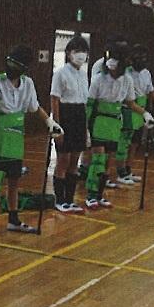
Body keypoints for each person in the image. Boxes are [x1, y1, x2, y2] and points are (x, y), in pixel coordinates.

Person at [0, 45, 62, 236]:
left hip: (16, 140)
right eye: (9, 62)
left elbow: (34, 106)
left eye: (15, 64)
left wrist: (49, 122)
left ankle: (13, 219)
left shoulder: (28, 84)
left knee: (14, 181)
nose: (11, 67)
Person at [85, 38, 153, 209]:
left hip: (115, 123)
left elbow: (130, 102)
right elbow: (89, 105)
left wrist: (145, 113)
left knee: (108, 162)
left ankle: (100, 195)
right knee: (98, 160)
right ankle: (91, 195)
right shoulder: (98, 79)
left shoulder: (127, 80)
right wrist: (85, 128)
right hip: (99, 121)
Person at [115, 44, 154, 185]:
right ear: (131, 59)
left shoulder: (146, 73)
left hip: (141, 111)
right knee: (124, 143)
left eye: (144, 58)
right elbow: (127, 99)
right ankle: (120, 171)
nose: (142, 61)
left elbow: (150, 91)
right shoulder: (125, 73)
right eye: (139, 58)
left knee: (135, 143)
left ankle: (128, 169)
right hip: (128, 110)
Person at [50, 35, 89, 213]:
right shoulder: (60, 73)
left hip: (79, 116)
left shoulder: (83, 74)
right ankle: (59, 200)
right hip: (66, 115)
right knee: (63, 160)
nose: (81, 55)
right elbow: (54, 99)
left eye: (83, 51)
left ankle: (70, 199)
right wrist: (57, 126)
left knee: (75, 160)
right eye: (77, 51)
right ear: (68, 53)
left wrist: (86, 128)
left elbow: (84, 103)